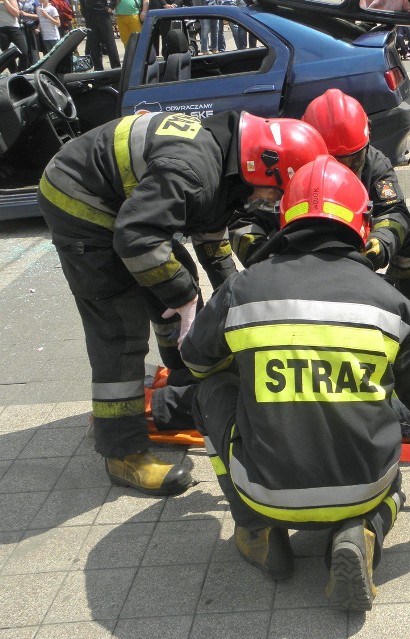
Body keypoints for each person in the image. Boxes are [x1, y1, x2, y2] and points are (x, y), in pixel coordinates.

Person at [181, 155, 410, 608]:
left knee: (208, 391)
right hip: (365, 486)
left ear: (285, 221)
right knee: (394, 486)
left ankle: (256, 529)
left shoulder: (242, 290)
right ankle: (364, 529)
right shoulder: (391, 305)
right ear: (361, 224)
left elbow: (196, 361)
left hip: (264, 490)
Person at [37, 111, 323, 496]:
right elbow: (135, 239)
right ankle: (123, 452)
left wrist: (234, 300)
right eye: (277, 192)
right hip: (79, 201)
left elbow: (212, 240)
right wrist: (184, 296)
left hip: (126, 208)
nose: (273, 202)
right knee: (120, 327)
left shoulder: (227, 161)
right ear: (266, 167)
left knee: (176, 271)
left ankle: (184, 380)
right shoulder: (195, 172)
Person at [298, 89, 410, 308]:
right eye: (335, 161)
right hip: (305, 257)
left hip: (359, 248)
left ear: (367, 140)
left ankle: (406, 310)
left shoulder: (375, 162)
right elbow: (254, 219)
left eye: (354, 160)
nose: (345, 170)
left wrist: (380, 242)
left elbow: (393, 211)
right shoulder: (292, 164)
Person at [80, 0, 120, 69]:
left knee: (109, 42)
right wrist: (83, 9)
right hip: (90, 15)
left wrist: (111, 6)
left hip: (103, 13)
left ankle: (116, 67)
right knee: (94, 44)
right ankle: (98, 69)